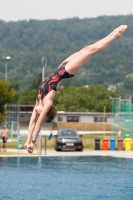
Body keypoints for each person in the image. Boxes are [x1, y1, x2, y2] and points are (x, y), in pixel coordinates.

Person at [24, 25, 128, 153]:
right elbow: (36, 124)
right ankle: (115, 35)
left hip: (61, 66)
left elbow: (33, 124)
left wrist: (29, 141)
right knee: (91, 50)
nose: (40, 115)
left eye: (42, 116)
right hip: (66, 71)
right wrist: (33, 143)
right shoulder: (47, 103)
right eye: (43, 116)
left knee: (87, 48)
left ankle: (114, 34)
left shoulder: (38, 102)